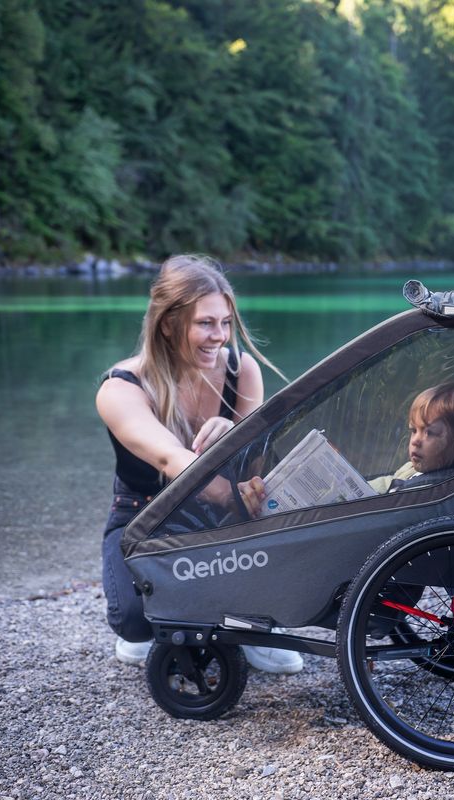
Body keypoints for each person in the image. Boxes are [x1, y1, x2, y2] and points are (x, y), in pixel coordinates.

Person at [96, 254, 304, 674]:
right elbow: (170, 457)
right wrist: (229, 493)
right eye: (206, 323)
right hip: (145, 518)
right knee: (133, 622)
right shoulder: (121, 388)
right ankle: (192, 621)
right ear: (168, 324)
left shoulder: (240, 370)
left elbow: (256, 465)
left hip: (221, 520)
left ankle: (240, 625)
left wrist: (234, 434)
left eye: (225, 322)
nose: (220, 336)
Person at [236, 382, 454, 515]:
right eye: (413, 430)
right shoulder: (412, 470)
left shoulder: (434, 488)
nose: (416, 440)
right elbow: (380, 486)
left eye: (429, 433)